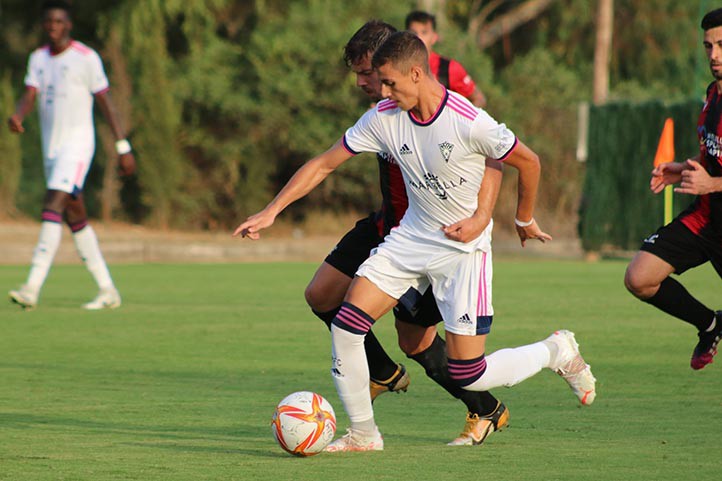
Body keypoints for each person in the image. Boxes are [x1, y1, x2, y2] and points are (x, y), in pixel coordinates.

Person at [235, 31, 596, 452]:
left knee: (468, 373)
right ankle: (364, 434)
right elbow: (324, 164)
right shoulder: (384, 117)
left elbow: (526, 160)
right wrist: (272, 210)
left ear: (416, 73)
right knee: (348, 325)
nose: (381, 92)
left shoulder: (467, 119)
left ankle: (555, 351)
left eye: (388, 83)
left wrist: (521, 218)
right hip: (410, 237)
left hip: (463, 253)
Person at [304, 20, 509, 446]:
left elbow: (494, 153)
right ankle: (381, 374)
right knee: (322, 294)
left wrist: (484, 214)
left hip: (435, 237)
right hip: (389, 225)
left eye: (369, 74)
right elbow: (328, 161)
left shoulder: (440, 94)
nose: (366, 84)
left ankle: (486, 406)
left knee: (418, 342)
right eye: (362, 76)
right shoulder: (385, 107)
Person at [7, 0, 135, 310]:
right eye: (49, 21)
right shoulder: (38, 58)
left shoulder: (86, 58)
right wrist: (18, 115)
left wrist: (123, 147)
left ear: (69, 26)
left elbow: (106, 103)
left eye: (59, 21)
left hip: (78, 147)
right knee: (75, 216)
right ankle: (107, 290)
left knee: (52, 203)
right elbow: (30, 93)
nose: (54, 26)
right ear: (44, 25)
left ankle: (32, 287)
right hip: (52, 149)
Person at [624, 8, 722, 371]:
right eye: (708, 46)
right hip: (706, 220)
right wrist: (681, 169)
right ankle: (710, 324)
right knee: (639, 278)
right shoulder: (712, 95)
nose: (714, 55)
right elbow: (712, 156)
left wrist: (713, 183)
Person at [405, 10, 487, 108]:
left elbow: (479, 99)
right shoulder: (398, 66)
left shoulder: (449, 68)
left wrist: (459, 120)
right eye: (413, 33)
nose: (418, 37)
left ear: (434, 37)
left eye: (424, 32)